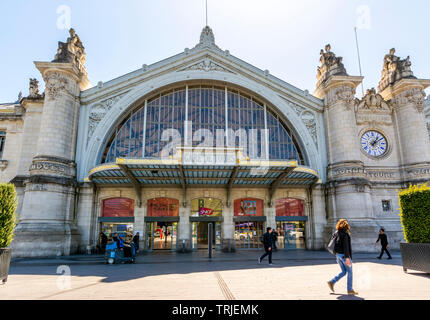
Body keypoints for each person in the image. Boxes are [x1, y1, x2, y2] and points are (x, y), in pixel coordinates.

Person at [327, 219, 358, 295]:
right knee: (350, 272)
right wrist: (347, 258)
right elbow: (346, 247)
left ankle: (332, 281)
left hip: (338, 255)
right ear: (346, 225)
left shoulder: (336, 233)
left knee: (344, 272)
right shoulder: (345, 234)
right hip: (344, 256)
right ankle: (350, 290)